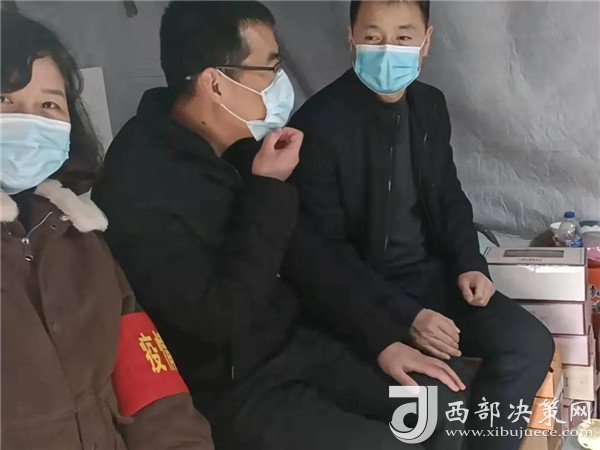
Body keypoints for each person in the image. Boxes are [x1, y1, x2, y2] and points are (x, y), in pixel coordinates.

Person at [93, 2, 473, 449]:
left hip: (300, 344)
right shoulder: (138, 184)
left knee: (441, 404)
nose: (281, 83)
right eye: (271, 69)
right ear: (215, 83)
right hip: (235, 386)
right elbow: (221, 319)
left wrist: (382, 339)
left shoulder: (238, 143)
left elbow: (311, 256)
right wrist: (268, 191)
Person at [289, 1, 555, 449]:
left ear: (426, 41)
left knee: (528, 345)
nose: (387, 50)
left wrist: (470, 263)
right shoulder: (317, 126)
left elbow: (448, 197)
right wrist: (403, 319)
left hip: (432, 280)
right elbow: (323, 259)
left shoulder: (429, 106)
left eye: (403, 36)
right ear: (351, 38)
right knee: (440, 402)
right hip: (364, 294)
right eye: (372, 37)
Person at [0, 12, 213, 450]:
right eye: (4, 100)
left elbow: (153, 391)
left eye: (49, 105)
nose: (28, 121)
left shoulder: (80, 237)